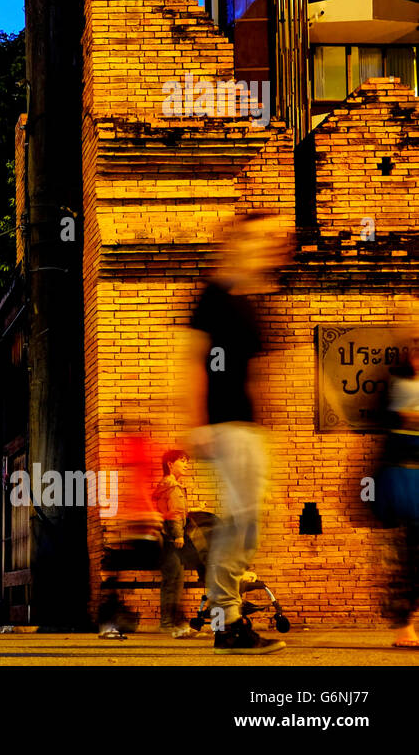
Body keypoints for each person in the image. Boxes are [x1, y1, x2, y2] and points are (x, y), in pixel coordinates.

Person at [184, 212, 291, 655]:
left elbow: (261, 374)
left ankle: (228, 618)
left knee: (249, 525)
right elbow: (192, 361)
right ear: (238, 243)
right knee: (237, 524)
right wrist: (197, 424)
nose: (270, 247)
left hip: (248, 429)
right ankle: (225, 623)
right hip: (224, 427)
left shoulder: (252, 301)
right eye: (262, 239)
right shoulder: (212, 297)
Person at [381, 346, 419, 648]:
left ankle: (407, 624)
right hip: (407, 479)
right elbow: (398, 423)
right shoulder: (399, 385)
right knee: (408, 555)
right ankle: (405, 626)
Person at [153, 450, 194, 638]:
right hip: (171, 540)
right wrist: (179, 535)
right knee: (173, 582)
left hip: (166, 538)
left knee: (174, 581)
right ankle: (168, 623)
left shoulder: (168, 486)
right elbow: (173, 513)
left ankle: (172, 622)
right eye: (182, 461)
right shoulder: (171, 486)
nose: (186, 465)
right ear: (170, 464)